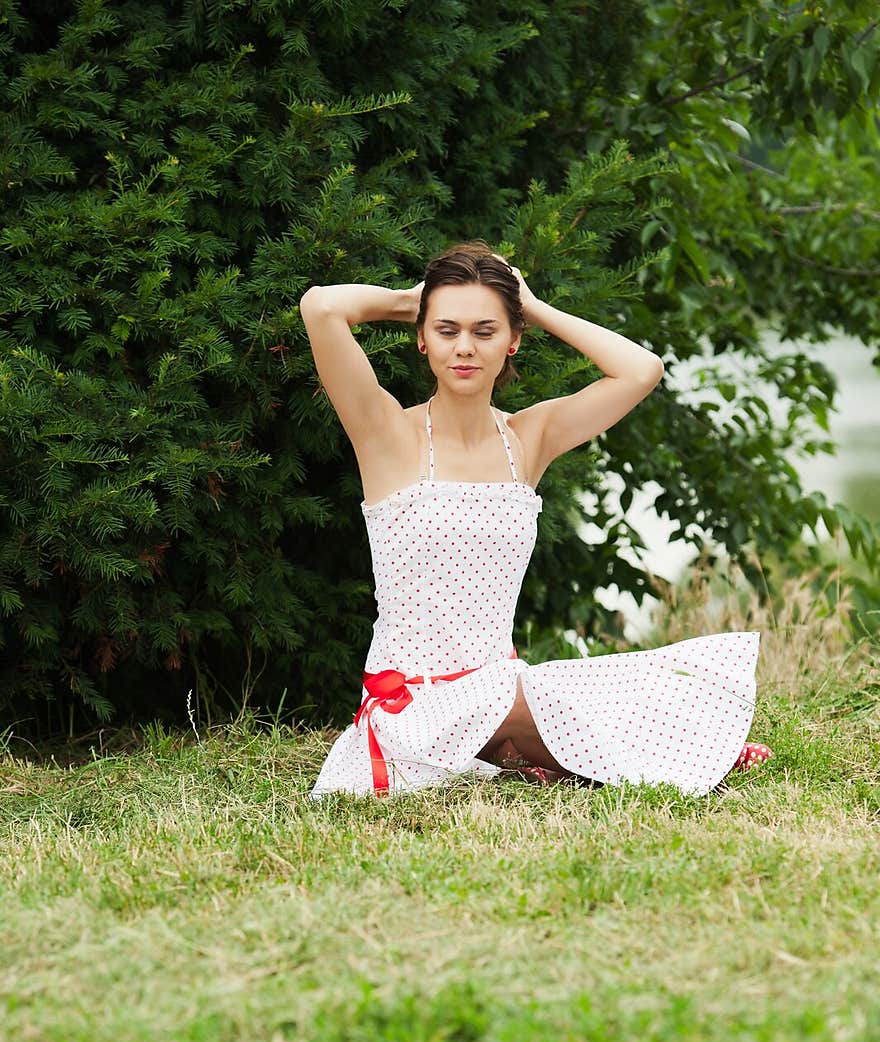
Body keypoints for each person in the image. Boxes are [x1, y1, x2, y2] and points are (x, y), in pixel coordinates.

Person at [300, 240, 772, 799]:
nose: (464, 348)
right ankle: (645, 756)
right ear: (423, 339)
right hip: (415, 700)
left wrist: (533, 304)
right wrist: (414, 301)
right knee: (546, 700)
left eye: (485, 330)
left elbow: (642, 371)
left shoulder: (527, 438)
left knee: (638, 678)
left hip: (503, 683)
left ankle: (538, 751)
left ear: (513, 340)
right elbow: (321, 307)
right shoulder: (385, 435)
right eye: (447, 331)